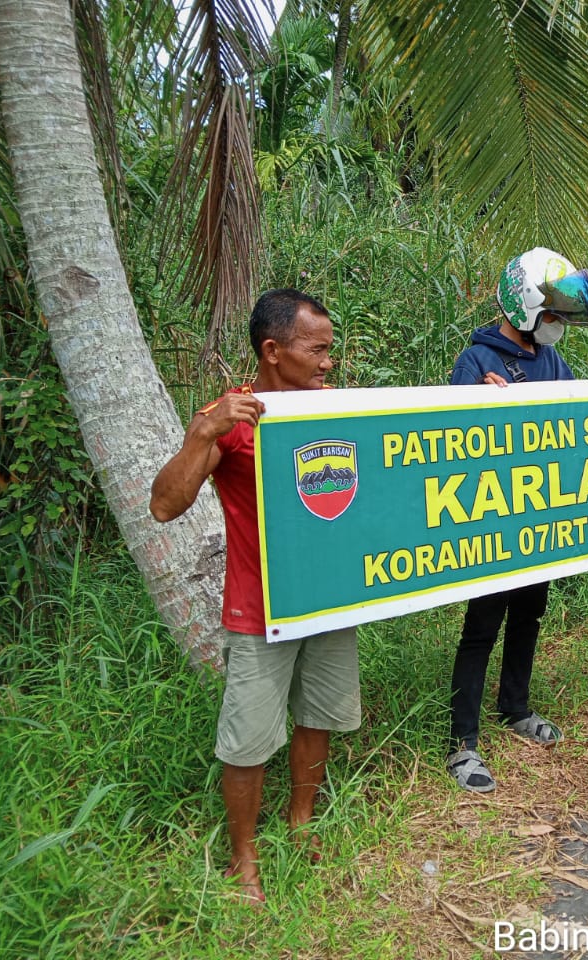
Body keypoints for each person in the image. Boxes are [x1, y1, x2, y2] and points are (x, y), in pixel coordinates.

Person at [150, 289, 360, 903]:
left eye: (329, 350)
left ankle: (301, 822)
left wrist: (492, 401)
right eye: (316, 350)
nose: (328, 362)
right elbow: (164, 506)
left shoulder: (334, 408)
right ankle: (243, 857)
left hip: (330, 595)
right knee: (246, 738)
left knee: (319, 713)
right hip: (260, 606)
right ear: (273, 350)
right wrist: (201, 433)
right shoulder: (231, 419)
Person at [446, 247, 588, 793]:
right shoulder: (477, 359)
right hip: (492, 520)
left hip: (540, 519)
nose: (557, 323)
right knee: (481, 628)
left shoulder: (550, 360)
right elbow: (447, 436)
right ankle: (462, 743)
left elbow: (574, 413)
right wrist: (476, 402)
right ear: (524, 305)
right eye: (551, 312)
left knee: (529, 615)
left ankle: (516, 707)